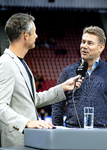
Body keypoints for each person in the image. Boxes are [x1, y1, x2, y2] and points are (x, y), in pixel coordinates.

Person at [0, 13, 83, 147]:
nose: (37, 36)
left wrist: (62, 88)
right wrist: (26, 122)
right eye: (35, 32)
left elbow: (33, 100)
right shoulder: (6, 63)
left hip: (28, 139)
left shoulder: (21, 63)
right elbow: (0, 105)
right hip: (16, 141)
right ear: (26, 36)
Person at [52, 26, 107, 128]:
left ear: (101, 48)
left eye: (90, 43)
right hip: (72, 133)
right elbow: (57, 105)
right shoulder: (67, 71)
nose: (84, 46)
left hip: (103, 134)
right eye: (83, 42)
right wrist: (57, 129)